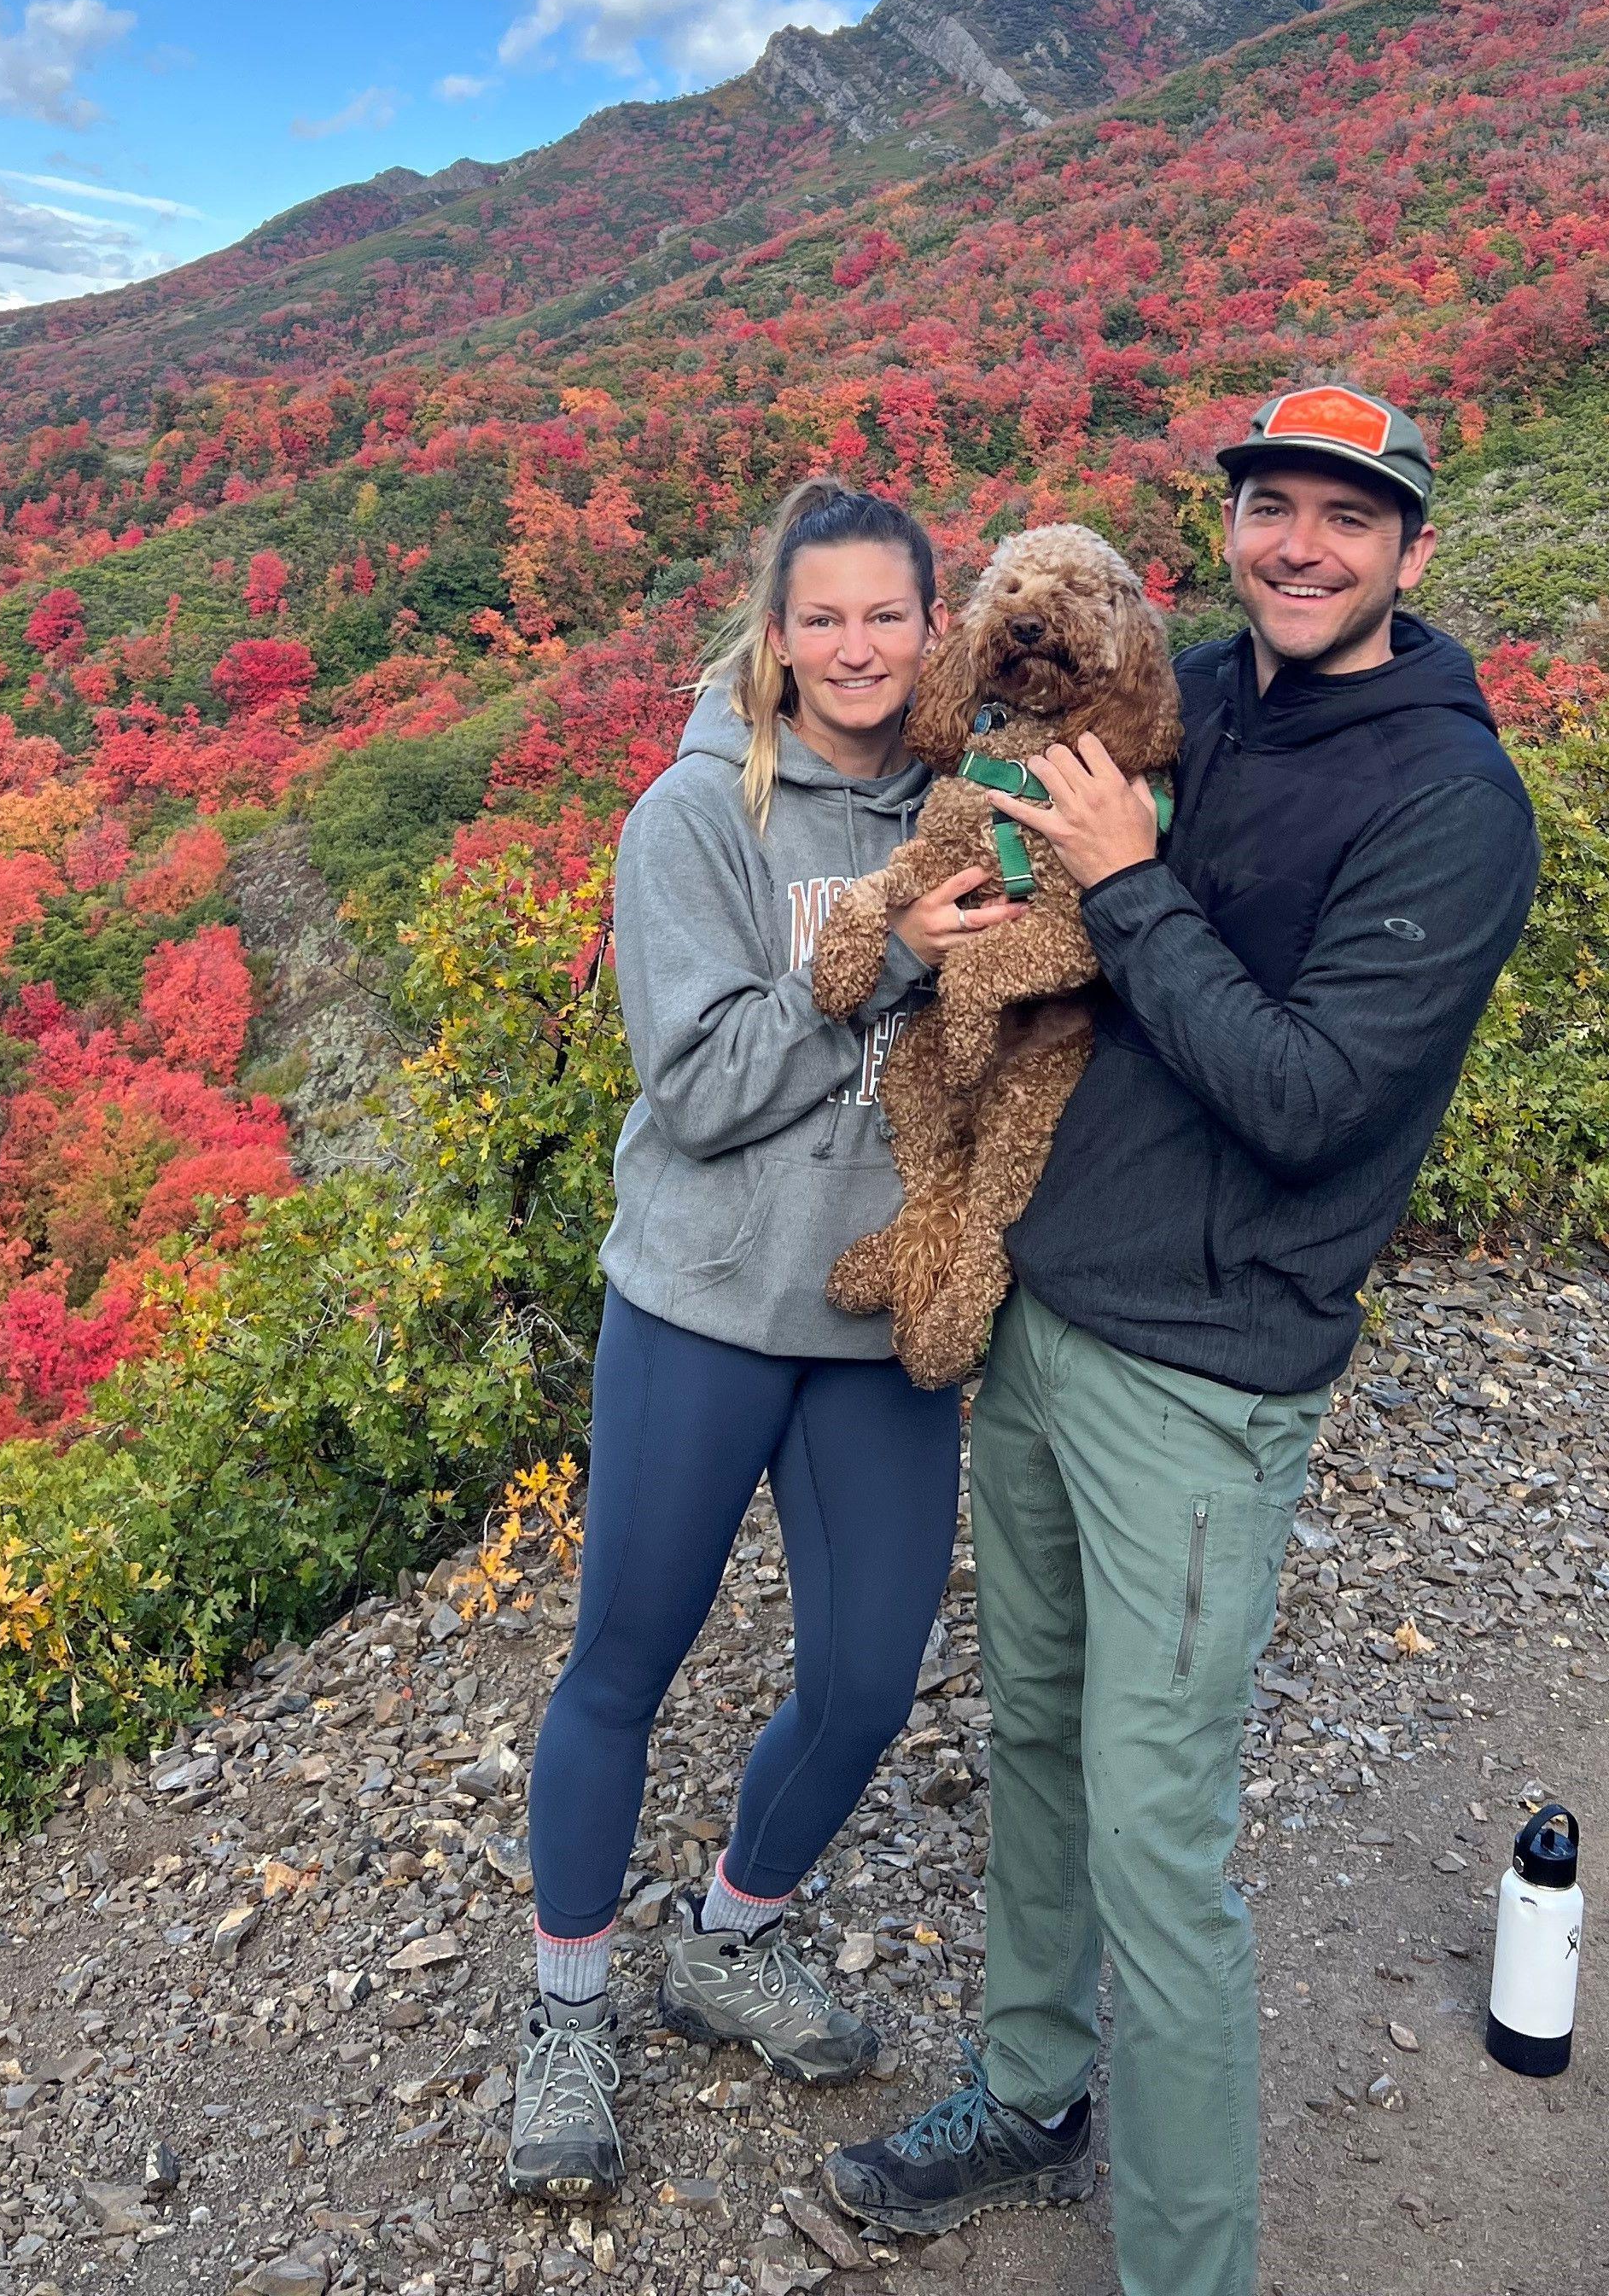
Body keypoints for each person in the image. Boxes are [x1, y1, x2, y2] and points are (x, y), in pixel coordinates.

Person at [822, 385, 1542, 2296]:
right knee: (1039, 1747)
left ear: (1410, 550)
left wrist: (1134, 888)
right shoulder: (1192, 693)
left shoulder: (1451, 807)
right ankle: (1032, 2085)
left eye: (1344, 516)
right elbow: (994, 759)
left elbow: (1312, 1099)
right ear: (1227, 529)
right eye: (1269, 509)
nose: (1300, 544)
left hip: (1205, 1375)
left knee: (1159, 1838)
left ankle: (1190, 2269)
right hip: (1046, 1313)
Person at [508, 479, 1026, 2204]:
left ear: (931, 625)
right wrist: (882, 969)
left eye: (891, 615)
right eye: (826, 618)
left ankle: (731, 1932)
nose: (859, 647)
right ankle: (567, 2010)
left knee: (873, 1678)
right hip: (705, 1303)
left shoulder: (978, 807)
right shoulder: (698, 816)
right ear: (775, 631)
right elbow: (706, 1082)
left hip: (875, 1312)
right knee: (624, 1664)